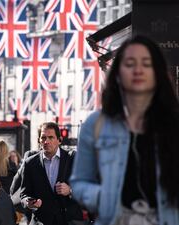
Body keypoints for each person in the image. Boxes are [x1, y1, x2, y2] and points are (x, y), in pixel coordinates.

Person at [70, 35, 179, 225]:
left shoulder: (173, 123)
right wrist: (103, 197)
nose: (138, 70)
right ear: (118, 72)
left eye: (146, 63)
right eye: (130, 63)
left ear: (157, 72)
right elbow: (79, 182)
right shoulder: (96, 124)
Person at [20, 122, 83, 225]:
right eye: (43, 138)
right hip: (41, 220)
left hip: (68, 219)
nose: (46, 141)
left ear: (59, 140)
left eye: (51, 137)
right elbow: (24, 194)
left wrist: (70, 190)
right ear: (39, 141)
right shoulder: (30, 163)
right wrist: (29, 202)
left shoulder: (72, 159)